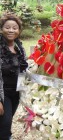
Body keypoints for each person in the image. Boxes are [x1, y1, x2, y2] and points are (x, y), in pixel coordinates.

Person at [0, 12, 28, 140]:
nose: (11, 30)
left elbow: (24, 69)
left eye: (14, 28)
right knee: (5, 125)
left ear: (19, 30)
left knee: (6, 121)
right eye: (7, 27)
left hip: (15, 92)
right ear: (1, 29)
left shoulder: (19, 47)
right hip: (3, 93)